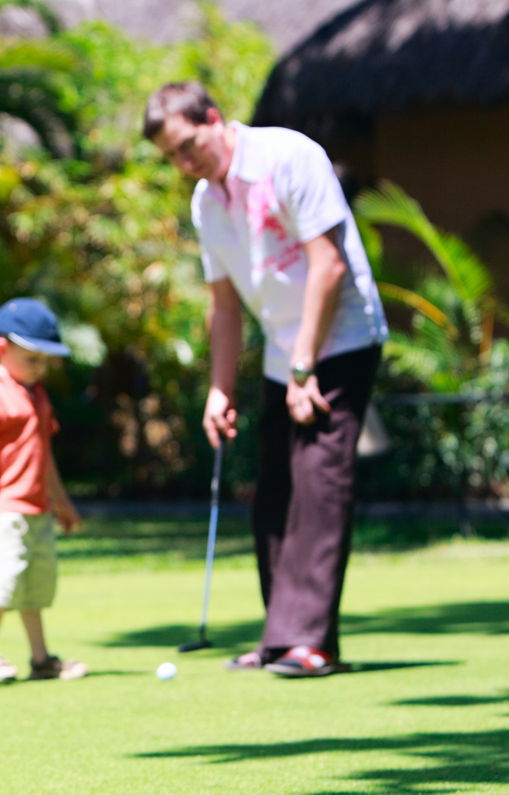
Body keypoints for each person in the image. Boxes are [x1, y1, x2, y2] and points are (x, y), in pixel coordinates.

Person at [144, 82, 388, 678]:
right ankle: (280, 638)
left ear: (213, 118)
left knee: (319, 485)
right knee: (274, 492)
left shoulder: (288, 156)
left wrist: (307, 366)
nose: (184, 163)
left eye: (186, 145)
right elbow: (224, 304)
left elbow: (328, 266)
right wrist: (220, 388)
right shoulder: (207, 203)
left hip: (342, 339)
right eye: (171, 157)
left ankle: (313, 642)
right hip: (286, 354)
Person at [0, 298, 88, 685]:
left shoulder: (37, 396)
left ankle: (41, 658)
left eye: (45, 360)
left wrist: (62, 502)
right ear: (3, 348)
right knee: (3, 579)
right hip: (7, 509)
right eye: (33, 358)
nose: (41, 368)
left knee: (36, 585)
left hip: (39, 509)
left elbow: (45, 456)